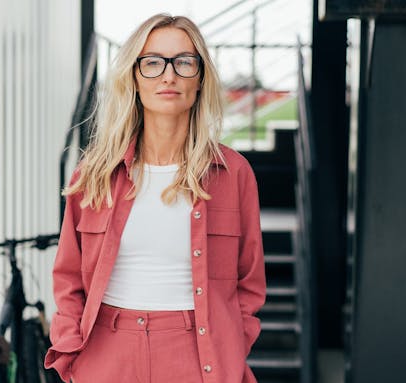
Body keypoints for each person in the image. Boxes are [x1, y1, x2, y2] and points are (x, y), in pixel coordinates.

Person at [43, 14, 266, 383]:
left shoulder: (234, 173)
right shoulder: (95, 173)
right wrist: (71, 352)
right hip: (107, 354)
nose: (168, 75)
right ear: (133, 78)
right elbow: (68, 276)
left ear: (200, 79)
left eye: (183, 62)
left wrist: (232, 346)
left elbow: (250, 282)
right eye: (152, 62)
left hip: (199, 355)